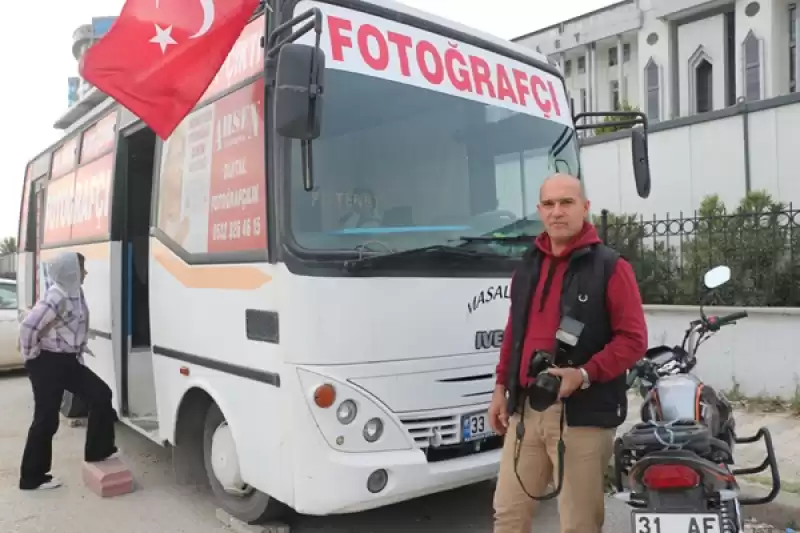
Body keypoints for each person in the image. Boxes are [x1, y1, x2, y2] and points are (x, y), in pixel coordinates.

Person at [489, 173, 647, 533]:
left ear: (585, 208)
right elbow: (515, 333)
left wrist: (584, 374)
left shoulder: (611, 267)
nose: (556, 212)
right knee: (508, 516)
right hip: (527, 410)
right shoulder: (527, 267)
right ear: (539, 210)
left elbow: (633, 339)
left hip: (583, 418)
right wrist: (501, 387)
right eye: (549, 204)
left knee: (579, 525)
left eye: (566, 203)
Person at [18, 251, 118, 491]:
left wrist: (78, 348)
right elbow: (28, 327)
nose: (85, 273)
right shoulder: (57, 296)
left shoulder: (75, 292)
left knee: (101, 394)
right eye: (81, 269)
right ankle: (31, 478)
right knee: (46, 419)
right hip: (47, 362)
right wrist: (32, 356)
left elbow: (75, 325)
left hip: (67, 361)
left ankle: (98, 451)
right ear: (71, 272)